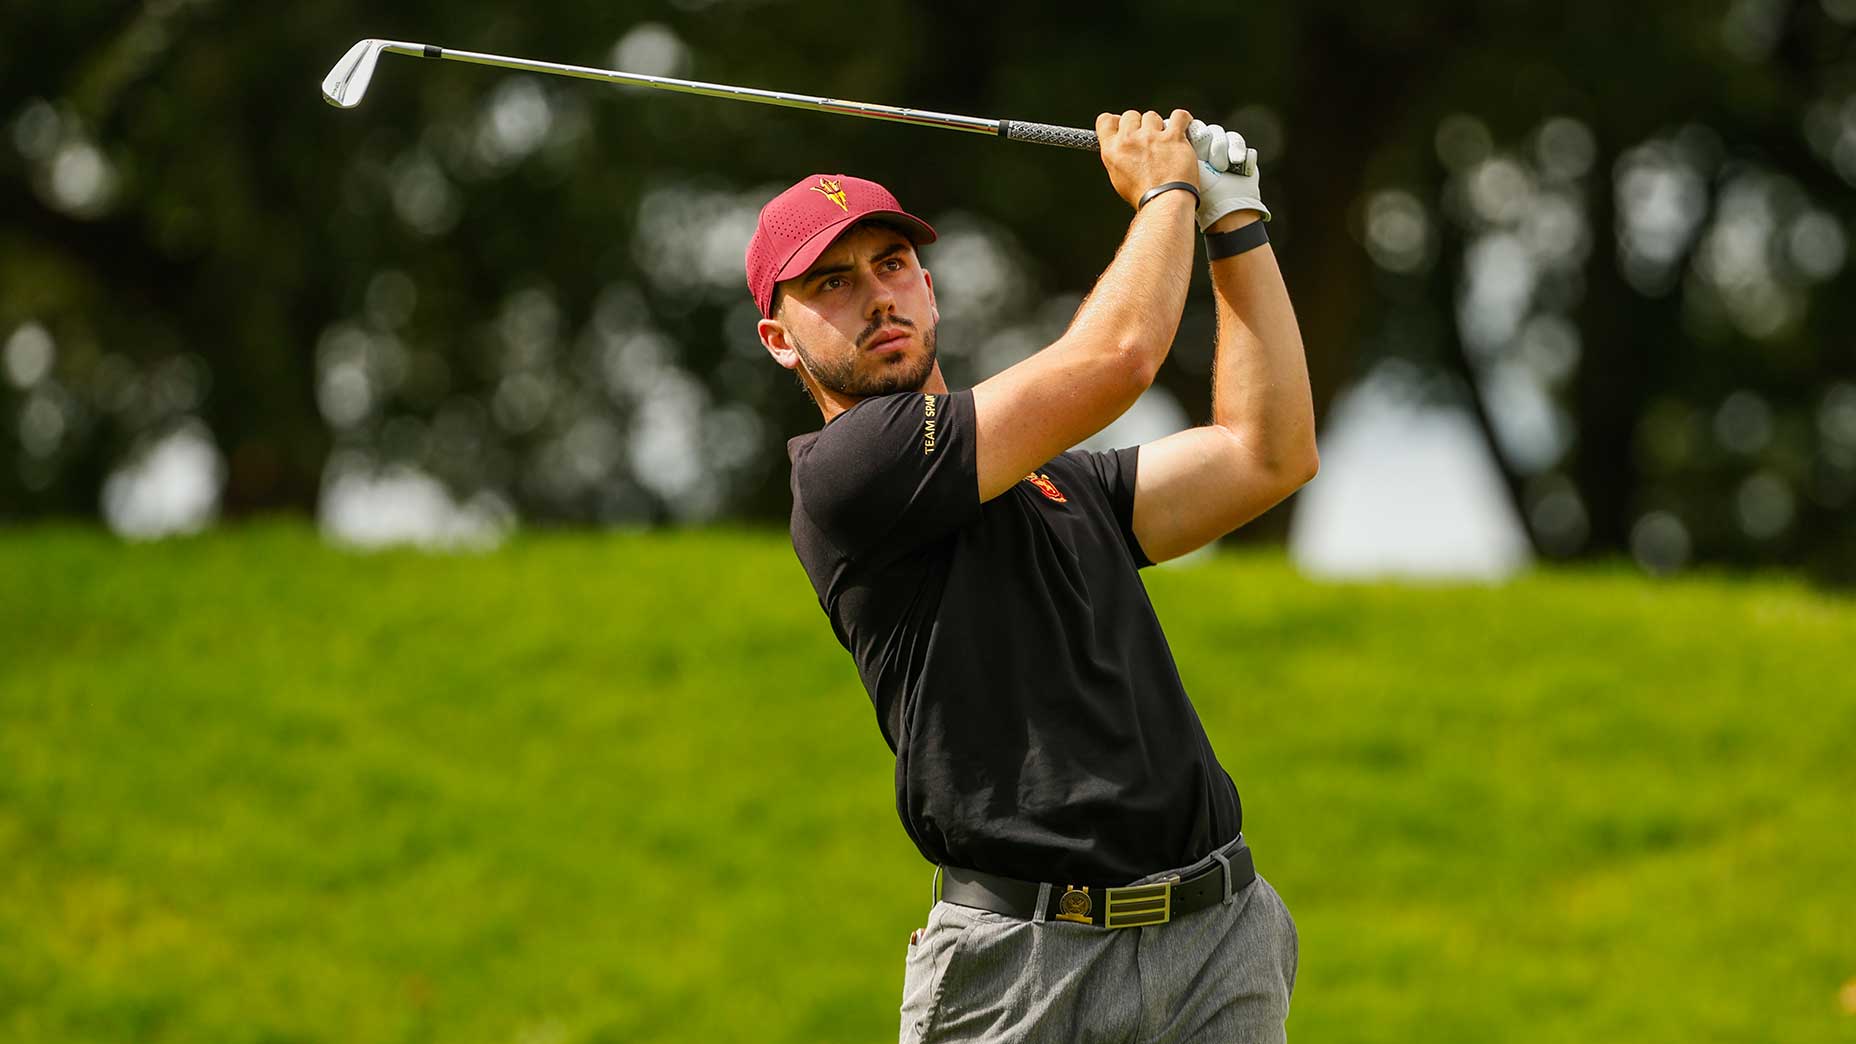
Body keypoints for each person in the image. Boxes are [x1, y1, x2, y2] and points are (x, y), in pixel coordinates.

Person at [744, 108, 1317, 1043]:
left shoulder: (1058, 483)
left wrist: (1235, 222)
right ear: (780, 338)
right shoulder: (849, 473)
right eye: (832, 284)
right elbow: (1119, 359)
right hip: (1023, 968)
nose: (876, 297)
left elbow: (1266, 455)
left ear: (929, 289)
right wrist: (1168, 188)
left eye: (892, 267)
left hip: (1218, 941)